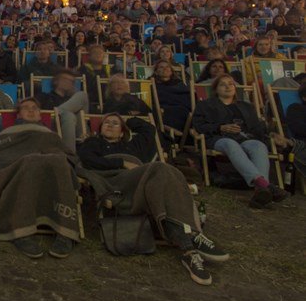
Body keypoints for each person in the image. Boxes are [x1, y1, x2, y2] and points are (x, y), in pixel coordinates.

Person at [78, 113, 229, 286]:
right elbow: (87, 160)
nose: (110, 125)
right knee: (162, 169)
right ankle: (195, 234)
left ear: (122, 132)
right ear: (100, 128)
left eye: (115, 123)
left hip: (142, 184)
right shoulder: (93, 143)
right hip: (116, 182)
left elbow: (149, 129)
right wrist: (122, 163)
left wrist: (128, 120)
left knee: (160, 185)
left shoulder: (132, 145)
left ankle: (189, 251)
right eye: (106, 123)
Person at [0, 98, 79, 259]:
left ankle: (65, 232)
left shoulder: (50, 134)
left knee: (60, 161)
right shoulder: (8, 134)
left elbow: (65, 153)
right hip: (17, 165)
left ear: (40, 115)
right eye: (26, 108)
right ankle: (21, 230)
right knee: (31, 161)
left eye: (35, 108)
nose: (31, 110)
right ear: (18, 114)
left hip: (48, 163)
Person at [192, 74, 288, 208]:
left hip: (245, 138)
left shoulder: (245, 106)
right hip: (219, 138)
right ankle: (265, 185)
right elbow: (198, 125)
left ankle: (261, 191)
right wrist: (220, 127)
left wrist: (271, 134)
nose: (227, 87)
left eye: (230, 84)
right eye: (223, 84)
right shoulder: (205, 105)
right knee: (231, 144)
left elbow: (257, 127)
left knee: (259, 145)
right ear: (215, 90)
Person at [36, 69, 89, 151]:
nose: (68, 82)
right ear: (56, 81)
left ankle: (58, 112)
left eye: (71, 81)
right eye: (65, 79)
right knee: (69, 115)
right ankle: (70, 155)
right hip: (51, 124)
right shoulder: (45, 96)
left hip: (74, 129)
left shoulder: (74, 101)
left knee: (82, 95)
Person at [152, 60, 191, 132]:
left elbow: (187, 97)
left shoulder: (179, 84)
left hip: (181, 109)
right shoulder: (152, 85)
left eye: (167, 67)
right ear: (156, 72)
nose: (165, 69)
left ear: (171, 71)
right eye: (161, 67)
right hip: (163, 110)